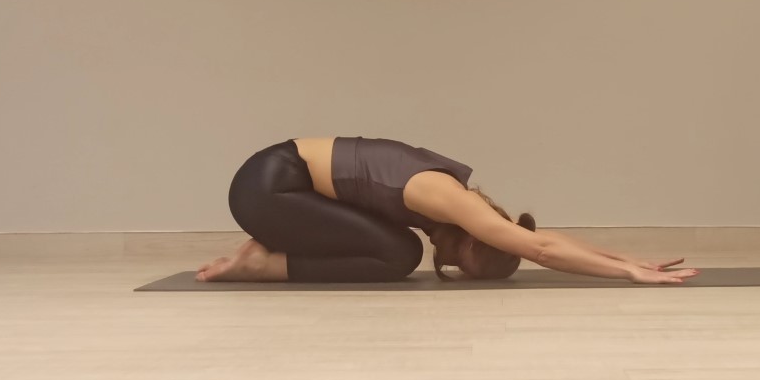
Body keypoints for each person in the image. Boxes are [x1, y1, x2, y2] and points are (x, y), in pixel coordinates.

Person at [197, 136, 699, 284]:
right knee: (399, 255)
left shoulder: (455, 203)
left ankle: (268, 256)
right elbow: (541, 249)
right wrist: (628, 274)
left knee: (399, 249)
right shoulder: (451, 200)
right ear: (478, 236)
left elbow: (538, 239)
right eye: (462, 258)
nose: (447, 257)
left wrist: (627, 257)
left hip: (273, 186)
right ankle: (263, 264)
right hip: (270, 188)